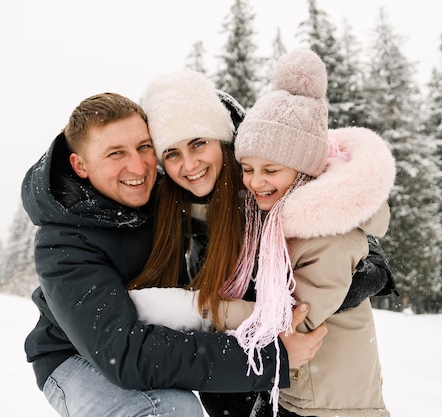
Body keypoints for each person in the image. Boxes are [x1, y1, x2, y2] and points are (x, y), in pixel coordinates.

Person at [21, 91, 327, 417]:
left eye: (143, 147)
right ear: (79, 165)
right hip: (77, 356)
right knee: (170, 410)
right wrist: (267, 358)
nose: (137, 166)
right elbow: (125, 355)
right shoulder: (64, 243)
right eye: (115, 154)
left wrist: (356, 255)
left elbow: (282, 177)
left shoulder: (170, 192)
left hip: (162, 335)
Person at [128, 70, 395, 417]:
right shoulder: (168, 207)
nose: (189, 164)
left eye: (198, 143)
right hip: (240, 381)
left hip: (311, 387)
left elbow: (339, 226)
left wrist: (366, 270)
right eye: (173, 153)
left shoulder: (267, 190)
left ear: (225, 142)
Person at [226, 48, 394, 416]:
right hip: (309, 391)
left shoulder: (326, 235)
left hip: (333, 402)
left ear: (303, 171)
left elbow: (294, 319)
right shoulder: (283, 222)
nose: (255, 182)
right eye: (247, 168)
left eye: (270, 169)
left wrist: (210, 311)